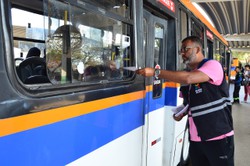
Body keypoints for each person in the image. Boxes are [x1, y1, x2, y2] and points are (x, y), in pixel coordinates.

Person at [137, 36, 234, 166]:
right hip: (196, 138)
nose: (182, 53)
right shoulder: (188, 72)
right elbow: (191, 102)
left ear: (198, 49)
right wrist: (182, 112)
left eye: (185, 49)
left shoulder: (212, 65)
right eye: (181, 50)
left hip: (218, 136)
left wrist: (156, 72)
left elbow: (189, 78)